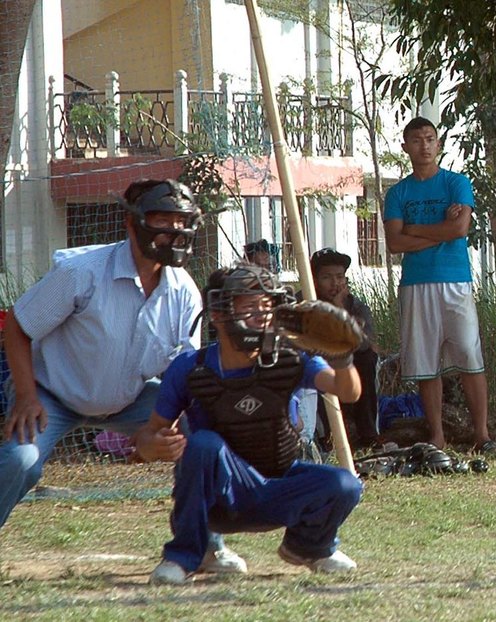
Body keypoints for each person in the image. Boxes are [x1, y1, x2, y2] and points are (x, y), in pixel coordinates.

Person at [0, 179, 246, 575]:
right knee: (21, 459)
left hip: (132, 398)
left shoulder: (184, 292)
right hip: (51, 394)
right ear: (132, 224)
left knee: (203, 436)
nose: (174, 231)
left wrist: (164, 427)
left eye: (181, 222)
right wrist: (26, 396)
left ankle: (204, 546)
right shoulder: (81, 272)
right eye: (162, 220)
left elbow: (182, 371)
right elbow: (17, 325)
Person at [133, 265, 363, 585]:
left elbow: (348, 392)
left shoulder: (291, 357)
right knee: (203, 444)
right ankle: (184, 556)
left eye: (266, 306)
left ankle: (308, 547)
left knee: (345, 484)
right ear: (218, 314)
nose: (261, 315)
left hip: (277, 483)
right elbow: (148, 435)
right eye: (249, 306)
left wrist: (343, 358)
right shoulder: (190, 368)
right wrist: (155, 445)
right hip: (223, 497)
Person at [383, 117, 496, 451]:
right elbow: (394, 243)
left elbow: (459, 230)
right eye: (417, 140)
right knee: (425, 363)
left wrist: (415, 229)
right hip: (415, 284)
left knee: (469, 355)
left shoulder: (456, 183)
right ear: (405, 146)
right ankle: (437, 435)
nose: (425, 146)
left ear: (439, 144)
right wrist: (439, 232)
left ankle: (482, 434)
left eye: (430, 139)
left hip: (455, 281)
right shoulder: (398, 192)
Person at [300, 248, 381, 450]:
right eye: (327, 277)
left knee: (367, 358)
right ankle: (325, 436)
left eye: (339, 277)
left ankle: (368, 433)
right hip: (317, 366)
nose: (335, 283)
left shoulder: (355, 306)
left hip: (348, 364)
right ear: (314, 280)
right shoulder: (303, 302)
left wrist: (339, 308)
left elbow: (363, 343)